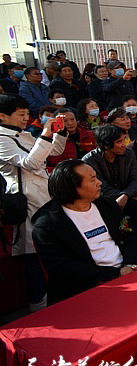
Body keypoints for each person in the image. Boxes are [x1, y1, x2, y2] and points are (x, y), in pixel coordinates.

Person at [31, 159, 137, 305]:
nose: (99, 183)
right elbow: (63, 268)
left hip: (129, 271)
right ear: (73, 188)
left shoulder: (107, 206)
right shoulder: (48, 225)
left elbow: (130, 234)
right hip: (87, 288)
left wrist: (130, 265)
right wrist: (116, 274)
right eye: (93, 179)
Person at [0, 94, 67, 311]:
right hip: (25, 197)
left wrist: (60, 132)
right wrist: (46, 136)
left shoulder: (23, 133)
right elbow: (31, 162)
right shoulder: (2, 139)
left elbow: (53, 151)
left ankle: (58, 298)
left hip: (44, 194)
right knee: (32, 253)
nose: (25, 118)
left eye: (27, 113)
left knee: (52, 247)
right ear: (2, 116)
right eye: (21, 114)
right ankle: (38, 305)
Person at [82, 124, 137, 223]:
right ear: (106, 145)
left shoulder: (129, 154)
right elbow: (102, 188)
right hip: (103, 201)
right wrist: (125, 197)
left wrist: (125, 196)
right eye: (119, 142)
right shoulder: (90, 161)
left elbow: (136, 180)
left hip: (128, 197)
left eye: (124, 139)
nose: (124, 144)